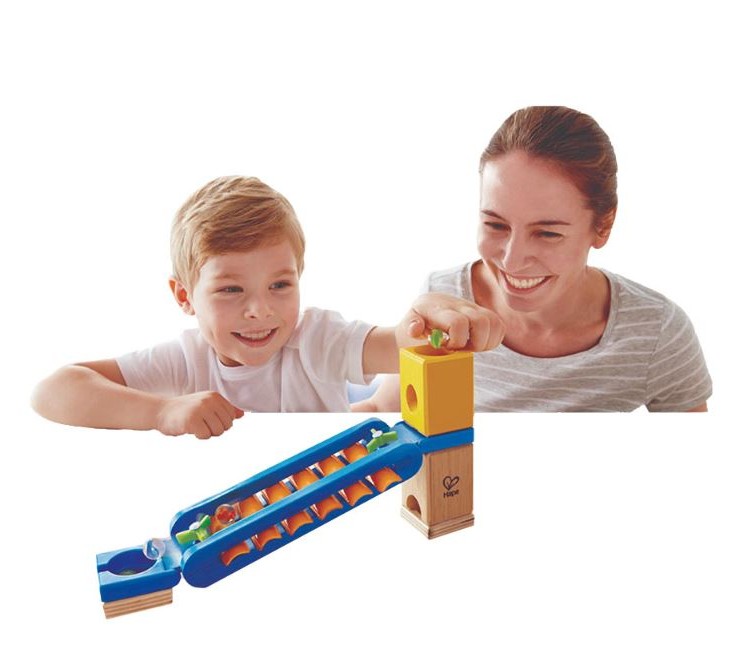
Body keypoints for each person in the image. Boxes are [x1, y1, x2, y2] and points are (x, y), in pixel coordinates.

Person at [31, 176, 503, 438]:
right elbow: (53, 390)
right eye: (231, 290)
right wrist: (160, 412)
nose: (260, 310)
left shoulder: (316, 338)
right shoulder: (184, 360)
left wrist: (429, 321)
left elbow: (399, 343)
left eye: (280, 285)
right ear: (185, 297)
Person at [359, 106, 712, 412]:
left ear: (603, 226)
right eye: (495, 224)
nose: (512, 261)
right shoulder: (444, 300)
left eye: (547, 233)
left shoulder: (656, 332)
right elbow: (381, 409)